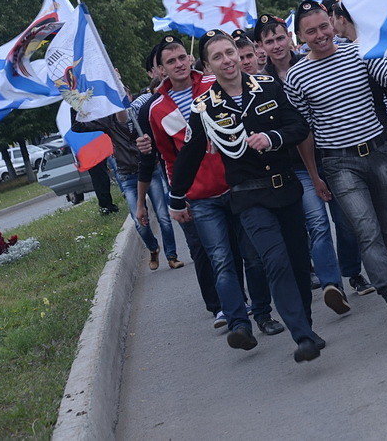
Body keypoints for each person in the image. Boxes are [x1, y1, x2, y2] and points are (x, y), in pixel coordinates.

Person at [169, 30, 323, 363]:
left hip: (284, 189)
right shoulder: (205, 107)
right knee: (275, 260)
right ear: (208, 65)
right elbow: (190, 153)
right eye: (218, 57)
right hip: (249, 198)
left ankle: (307, 326)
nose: (227, 60)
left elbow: (298, 127)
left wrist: (272, 137)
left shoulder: (267, 86)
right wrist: (176, 196)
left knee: (298, 263)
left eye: (230, 53)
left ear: (241, 54)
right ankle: (302, 336)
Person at [284, 0, 387, 338]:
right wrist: (314, 175)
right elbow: (305, 132)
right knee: (366, 229)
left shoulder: (359, 52)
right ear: (299, 37)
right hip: (338, 162)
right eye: (310, 31)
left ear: (332, 23)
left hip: (377, 153)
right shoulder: (296, 77)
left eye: (323, 27)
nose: (320, 35)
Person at [142, 35, 284, 343]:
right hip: (202, 197)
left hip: (239, 186)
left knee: (253, 256)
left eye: (182, 57)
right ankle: (238, 323)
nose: (179, 64)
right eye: (171, 61)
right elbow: (170, 159)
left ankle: (262, 314)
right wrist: (178, 198)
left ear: (191, 58)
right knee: (221, 260)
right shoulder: (156, 110)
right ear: (162, 69)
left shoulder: (211, 85)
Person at [253, 14, 351, 316]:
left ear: (290, 38)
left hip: (332, 153)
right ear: (262, 46)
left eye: (280, 37)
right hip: (297, 166)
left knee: (346, 221)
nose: (276, 45)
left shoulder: (309, 62)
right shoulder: (261, 84)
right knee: (318, 224)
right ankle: (332, 284)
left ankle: (353, 270)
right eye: (269, 41)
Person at [70, 103, 182, 271]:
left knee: (163, 216)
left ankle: (172, 256)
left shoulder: (140, 114)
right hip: (128, 174)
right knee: (140, 222)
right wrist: (75, 104)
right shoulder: (108, 121)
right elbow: (78, 126)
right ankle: (153, 248)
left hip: (151, 171)